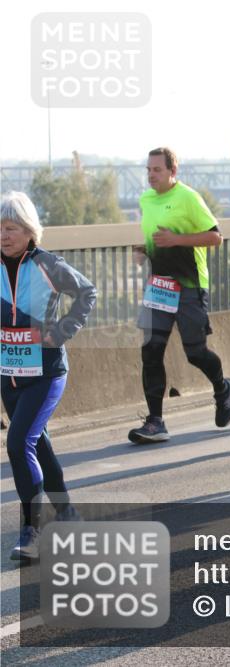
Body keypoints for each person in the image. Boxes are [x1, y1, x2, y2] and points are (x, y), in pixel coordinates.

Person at [2, 192, 96, 560]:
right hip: (8, 375)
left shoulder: (47, 265)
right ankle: (68, 513)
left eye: (11, 228)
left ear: (29, 231)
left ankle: (32, 530)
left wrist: (65, 328)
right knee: (37, 443)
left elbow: (87, 291)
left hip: (46, 373)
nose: (4, 235)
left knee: (18, 442)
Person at [128, 147, 230, 444]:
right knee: (150, 351)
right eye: (148, 170)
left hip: (189, 285)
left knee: (195, 353)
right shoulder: (146, 199)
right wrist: (144, 249)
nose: (151, 175)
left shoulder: (188, 197)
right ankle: (155, 421)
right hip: (159, 285)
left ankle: (221, 386)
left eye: (157, 170)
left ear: (173, 172)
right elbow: (155, 238)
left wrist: (177, 240)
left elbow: (216, 236)